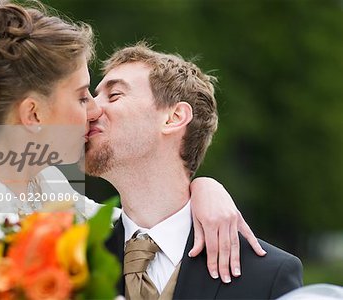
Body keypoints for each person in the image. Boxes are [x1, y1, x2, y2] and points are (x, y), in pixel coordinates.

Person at [0, 1, 264, 299]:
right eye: (81, 95)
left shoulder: (73, 208)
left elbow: (152, 216)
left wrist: (204, 188)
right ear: (34, 114)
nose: (94, 109)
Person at [83, 43, 304, 298]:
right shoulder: (73, 262)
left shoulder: (268, 276)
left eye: (114, 95)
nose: (90, 109)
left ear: (174, 117)